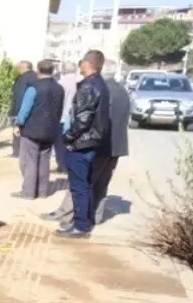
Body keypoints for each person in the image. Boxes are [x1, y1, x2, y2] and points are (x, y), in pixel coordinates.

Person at [42, 71, 130, 226]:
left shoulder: (99, 90)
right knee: (101, 185)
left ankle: (67, 215)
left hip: (98, 145)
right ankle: (95, 216)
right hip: (116, 147)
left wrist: (71, 137)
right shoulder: (122, 91)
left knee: (80, 183)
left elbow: (91, 120)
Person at [57, 49, 111, 239]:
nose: (79, 65)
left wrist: (69, 137)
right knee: (85, 185)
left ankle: (81, 226)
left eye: (81, 62)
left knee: (78, 186)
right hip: (91, 142)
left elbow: (83, 119)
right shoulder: (101, 85)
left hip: (81, 143)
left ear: (87, 64)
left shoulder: (89, 87)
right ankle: (82, 222)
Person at [12, 59, 64, 199]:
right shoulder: (59, 88)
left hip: (31, 130)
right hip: (50, 130)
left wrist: (18, 124)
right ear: (52, 71)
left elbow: (25, 110)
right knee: (44, 162)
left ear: (38, 70)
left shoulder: (33, 88)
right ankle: (42, 191)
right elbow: (59, 110)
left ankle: (28, 192)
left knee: (29, 161)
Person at [54, 66, 81, 173]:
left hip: (62, 117)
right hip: (77, 117)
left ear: (64, 70)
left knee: (60, 144)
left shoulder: (60, 83)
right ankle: (73, 165)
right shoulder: (80, 81)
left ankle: (62, 166)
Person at [9, 61, 36, 157]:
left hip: (20, 109)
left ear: (24, 67)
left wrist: (16, 112)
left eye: (19, 67)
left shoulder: (23, 79)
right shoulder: (36, 77)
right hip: (33, 110)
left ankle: (17, 152)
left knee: (17, 132)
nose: (17, 69)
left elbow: (19, 95)